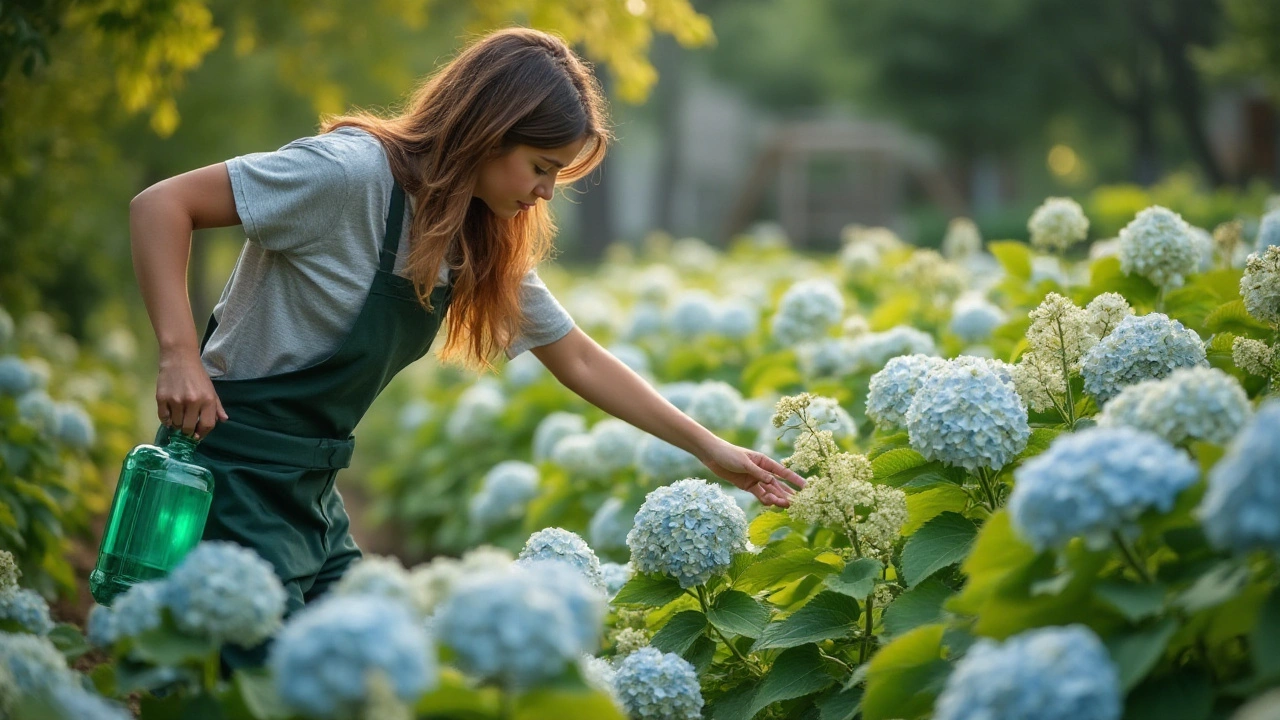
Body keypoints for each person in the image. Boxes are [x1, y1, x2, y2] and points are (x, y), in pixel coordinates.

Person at [128, 27, 805, 670]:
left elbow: (578, 357)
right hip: (230, 470)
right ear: (490, 131)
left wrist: (710, 449)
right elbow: (161, 206)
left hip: (312, 490)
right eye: (541, 168)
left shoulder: (472, 234)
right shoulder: (346, 172)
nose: (544, 193)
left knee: (376, 669)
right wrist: (179, 354)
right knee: (241, 685)